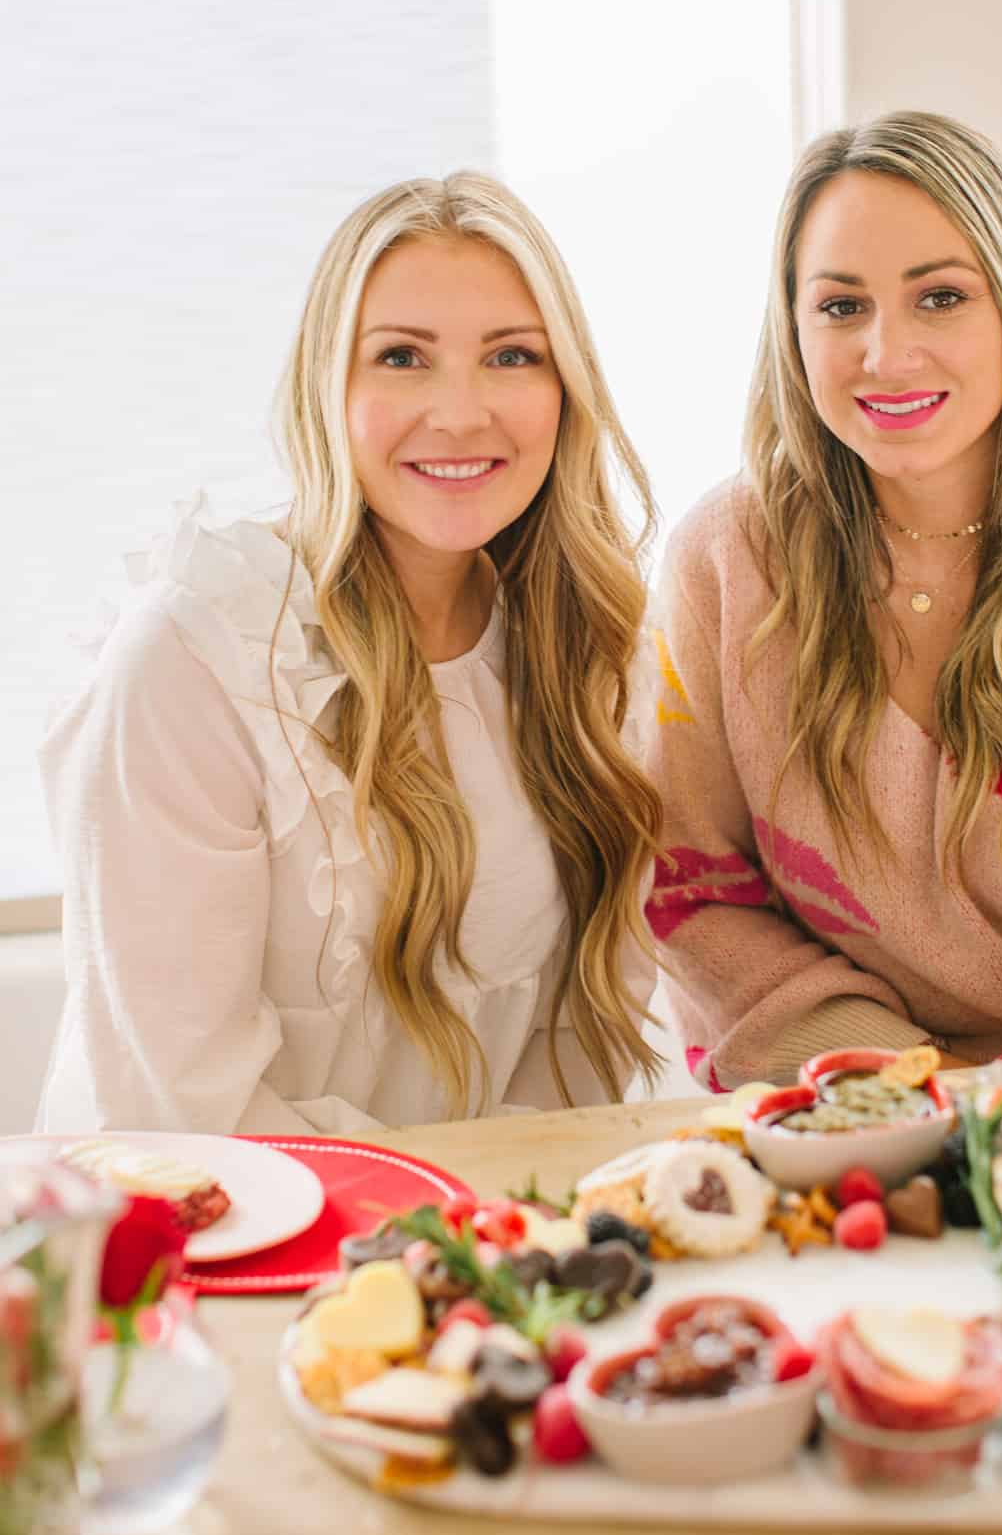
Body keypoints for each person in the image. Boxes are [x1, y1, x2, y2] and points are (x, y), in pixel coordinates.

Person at [39, 174, 661, 1134]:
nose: (460, 413)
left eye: (510, 355)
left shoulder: (590, 645)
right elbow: (182, 1105)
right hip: (218, 1244)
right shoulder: (195, 660)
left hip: (481, 1244)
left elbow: (572, 1060)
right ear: (326, 386)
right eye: (403, 357)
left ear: (566, 389)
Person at [647, 110, 1002, 1089]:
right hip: (839, 1100)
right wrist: (895, 1085)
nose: (885, 354)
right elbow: (694, 892)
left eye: (940, 297)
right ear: (792, 326)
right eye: (840, 306)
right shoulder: (727, 557)